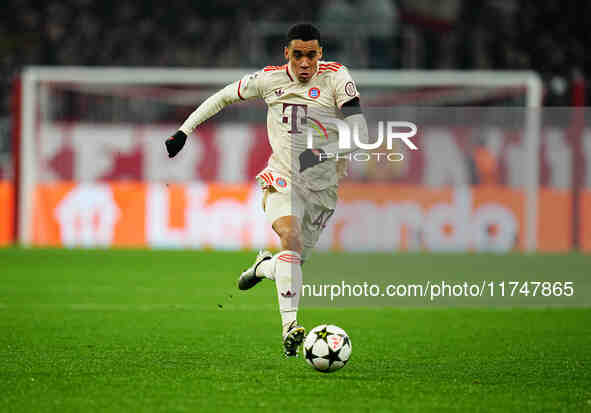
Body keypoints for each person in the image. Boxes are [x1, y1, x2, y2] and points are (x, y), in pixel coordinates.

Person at [165, 23, 369, 357]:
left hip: (323, 186)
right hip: (283, 176)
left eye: (312, 55)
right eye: (298, 55)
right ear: (286, 54)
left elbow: (358, 130)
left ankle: (263, 267)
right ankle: (290, 328)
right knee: (290, 239)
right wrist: (184, 131)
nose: (305, 63)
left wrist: (324, 152)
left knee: (293, 262)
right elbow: (223, 97)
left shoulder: (336, 77)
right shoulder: (269, 79)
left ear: (321, 54)